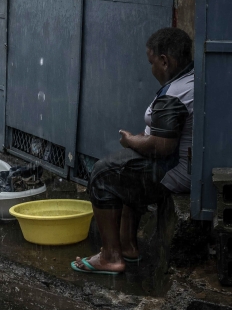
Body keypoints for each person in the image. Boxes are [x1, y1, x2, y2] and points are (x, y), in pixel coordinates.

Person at [72, 27, 194, 276]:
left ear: (164, 61)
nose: (151, 70)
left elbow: (161, 147)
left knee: (104, 173)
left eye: (152, 63)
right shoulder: (187, 80)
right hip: (179, 164)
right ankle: (127, 245)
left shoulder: (177, 93)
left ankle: (110, 257)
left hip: (176, 171)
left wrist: (131, 141)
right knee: (124, 167)